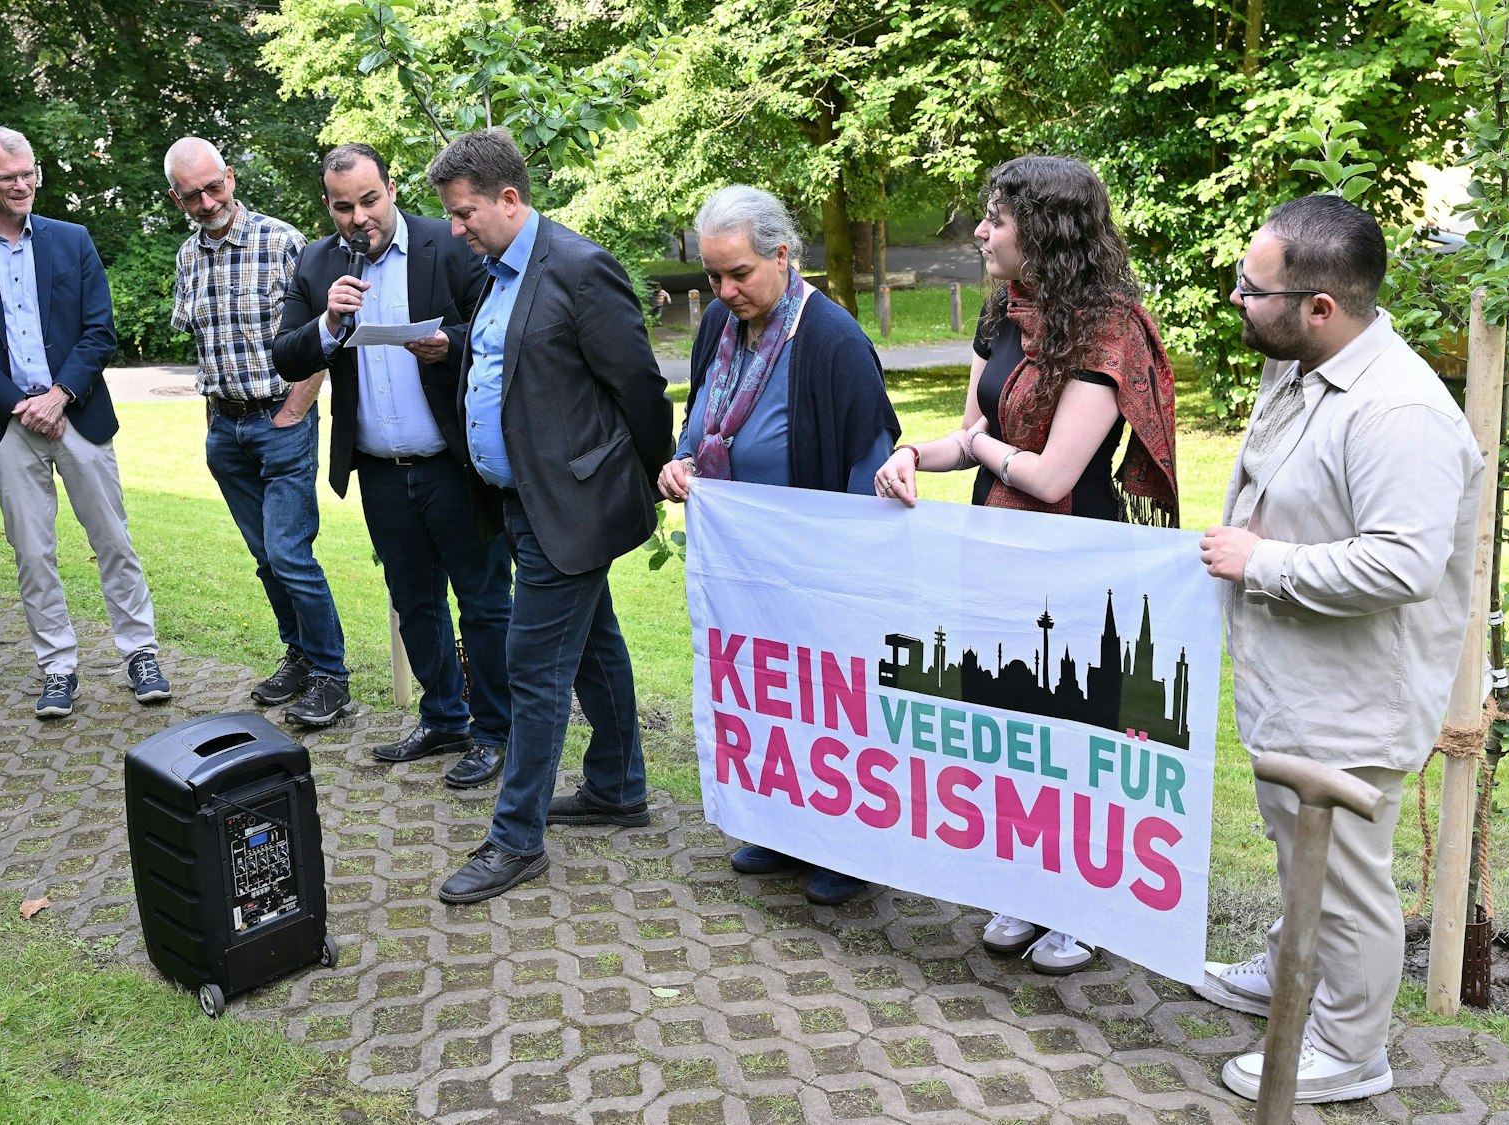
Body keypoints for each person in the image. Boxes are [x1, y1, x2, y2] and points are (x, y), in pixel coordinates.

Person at [1193, 195, 1480, 1105]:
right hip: (1299, 677)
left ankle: (1352, 1046)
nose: (1237, 298)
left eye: (1253, 288)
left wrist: (1261, 560)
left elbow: (1403, 563)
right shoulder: (1300, 363)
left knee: (1348, 878)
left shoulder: (1399, 410)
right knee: (1300, 848)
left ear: (1320, 306)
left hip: (1355, 696)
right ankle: (1291, 967)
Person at [875, 155, 1179, 974]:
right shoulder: (1003, 311)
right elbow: (967, 432)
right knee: (1010, 729)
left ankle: (1085, 905)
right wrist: (911, 454)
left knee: (1071, 733)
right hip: (994, 550)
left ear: (1045, 231)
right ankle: (1030, 884)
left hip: (1072, 555)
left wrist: (978, 447)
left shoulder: (1109, 330)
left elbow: (1050, 476)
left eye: (997, 218)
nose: (980, 231)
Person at [426, 129, 674, 904]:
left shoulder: (579, 266)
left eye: (464, 213)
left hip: (572, 503)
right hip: (521, 502)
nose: (455, 228)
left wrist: (642, 479)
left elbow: (639, 386)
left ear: (509, 198)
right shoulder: (495, 272)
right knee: (594, 643)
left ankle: (514, 838)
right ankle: (618, 787)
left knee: (534, 669)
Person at [661, 184, 901, 906]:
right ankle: (782, 827)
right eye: (713, 276)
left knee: (831, 706)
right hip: (741, 566)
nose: (724, 291)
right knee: (767, 699)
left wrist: (847, 573)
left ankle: (847, 846)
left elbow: (869, 464)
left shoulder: (833, 342)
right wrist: (681, 462)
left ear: (782, 255)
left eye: (739, 274)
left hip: (816, 566)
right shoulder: (720, 325)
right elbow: (703, 420)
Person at [271, 143, 511, 784]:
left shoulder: (449, 243)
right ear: (329, 207)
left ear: (392, 189)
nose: (359, 218)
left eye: (369, 200)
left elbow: (500, 331)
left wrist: (448, 344)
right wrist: (328, 322)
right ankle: (444, 718)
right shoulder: (318, 262)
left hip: (455, 466)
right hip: (379, 469)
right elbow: (287, 355)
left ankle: (495, 731)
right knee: (414, 600)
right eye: (343, 207)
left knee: (484, 601)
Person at [0, 126, 169, 719]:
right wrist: (22, 405)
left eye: (28, 173)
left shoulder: (71, 239)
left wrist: (58, 397)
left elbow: (99, 331)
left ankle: (140, 653)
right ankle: (57, 666)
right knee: (33, 552)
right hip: (7, 423)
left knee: (113, 540)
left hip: (78, 414)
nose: (22, 185)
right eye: (7, 177)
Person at [166, 136, 349, 728]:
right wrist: (213, 424)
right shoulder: (187, 257)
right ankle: (299, 657)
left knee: (290, 554)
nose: (206, 202)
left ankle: (331, 676)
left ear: (230, 177)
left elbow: (325, 333)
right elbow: (203, 346)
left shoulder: (283, 242)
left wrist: (296, 409)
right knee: (266, 558)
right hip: (225, 428)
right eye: (191, 195)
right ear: (176, 198)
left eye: (212, 187)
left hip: (281, 420)